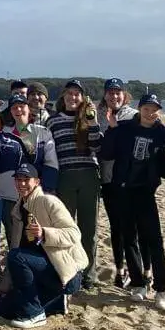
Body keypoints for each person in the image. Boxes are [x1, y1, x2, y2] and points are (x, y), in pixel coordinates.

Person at [99, 93, 165, 310]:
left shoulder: (164, 134)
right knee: (128, 238)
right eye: (146, 109)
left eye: (155, 109)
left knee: (154, 240)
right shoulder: (124, 128)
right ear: (139, 109)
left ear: (160, 111)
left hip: (146, 192)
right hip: (122, 190)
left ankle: (161, 289)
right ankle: (138, 284)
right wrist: (112, 129)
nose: (150, 113)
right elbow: (107, 153)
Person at [0, 164, 88, 329]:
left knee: (17, 256)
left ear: (37, 182)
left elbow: (74, 234)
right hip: (42, 273)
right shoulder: (18, 211)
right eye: (18, 180)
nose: (22, 184)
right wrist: (4, 286)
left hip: (65, 273)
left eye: (26, 179)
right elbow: (17, 247)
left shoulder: (48, 201)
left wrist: (44, 234)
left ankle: (35, 314)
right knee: (5, 309)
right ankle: (57, 302)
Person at [47, 79, 103, 289]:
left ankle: (89, 274)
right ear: (63, 96)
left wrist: (93, 123)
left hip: (89, 175)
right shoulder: (53, 121)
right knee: (65, 227)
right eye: (69, 93)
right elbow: (49, 153)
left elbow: (98, 147)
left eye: (77, 94)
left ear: (83, 98)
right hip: (66, 177)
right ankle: (68, 271)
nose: (72, 97)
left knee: (89, 229)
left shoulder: (88, 118)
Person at [0, 94, 59, 237]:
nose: (18, 110)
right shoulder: (1, 134)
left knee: (36, 236)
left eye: (21, 106)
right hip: (8, 195)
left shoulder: (42, 133)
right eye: (14, 107)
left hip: (36, 195)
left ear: (28, 108)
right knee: (14, 238)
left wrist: (48, 189)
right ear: (10, 111)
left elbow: (51, 163)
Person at [96, 77, 143, 288]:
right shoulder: (97, 115)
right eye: (110, 92)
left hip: (129, 181)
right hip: (106, 179)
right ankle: (120, 270)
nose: (114, 96)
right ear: (105, 95)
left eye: (118, 92)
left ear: (124, 95)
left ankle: (139, 272)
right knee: (116, 227)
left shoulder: (134, 116)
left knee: (130, 229)